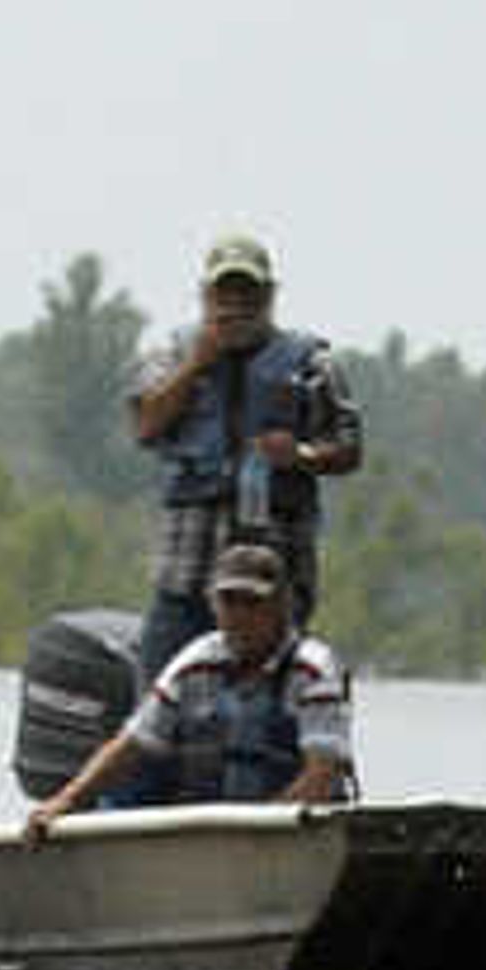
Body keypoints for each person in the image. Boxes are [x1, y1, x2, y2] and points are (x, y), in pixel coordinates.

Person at [127, 231, 362, 675]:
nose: (234, 306)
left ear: (270, 296)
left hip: (276, 574)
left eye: (247, 293)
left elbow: (349, 448)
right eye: (224, 293)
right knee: (160, 692)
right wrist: (197, 364)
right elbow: (146, 425)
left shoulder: (313, 365)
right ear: (205, 295)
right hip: (187, 571)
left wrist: (302, 455)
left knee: (273, 710)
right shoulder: (171, 354)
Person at [25, 537, 356, 830]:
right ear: (213, 604)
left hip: (292, 832)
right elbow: (133, 742)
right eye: (229, 600)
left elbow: (322, 775)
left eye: (252, 602)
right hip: (210, 834)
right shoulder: (195, 662)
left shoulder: (313, 670)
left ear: (280, 607)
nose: (239, 614)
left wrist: (263, 833)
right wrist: (65, 801)